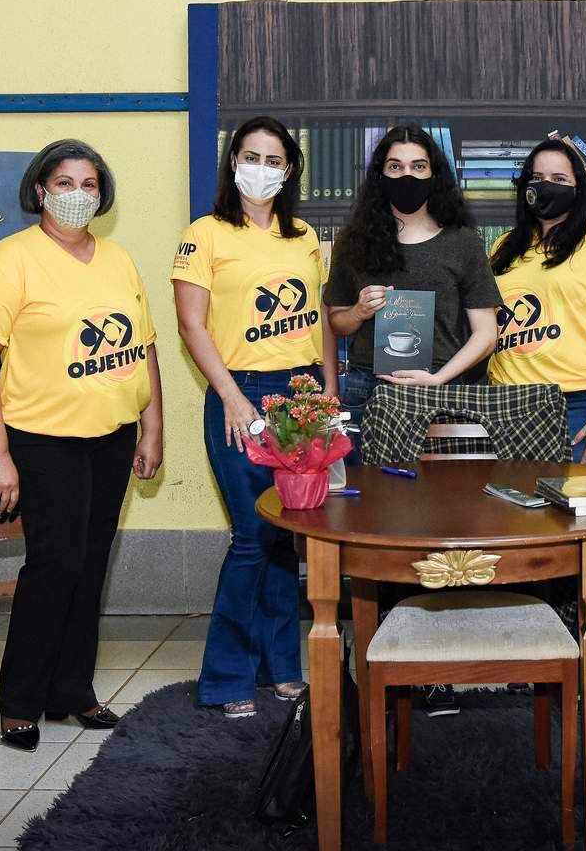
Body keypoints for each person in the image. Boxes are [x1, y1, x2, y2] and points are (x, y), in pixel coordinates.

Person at [0, 139, 164, 751]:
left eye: (89, 184)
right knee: (55, 566)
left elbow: (144, 348)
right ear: (40, 190)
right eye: (64, 183)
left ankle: (72, 690)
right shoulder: (10, 260)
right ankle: (20, 701)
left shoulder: (119, 258)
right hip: (44, 439)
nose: (78, 194)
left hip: (113, 437)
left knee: (92, 563)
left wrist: (153, 426)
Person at [324, 123, 502, 715]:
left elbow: (486, 332)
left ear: (435, 174)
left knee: (442, 529)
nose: (407, 177)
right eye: (395, 167)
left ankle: (439, 662)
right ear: (380, 175)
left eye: (418, 167)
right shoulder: (355, 242)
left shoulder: (462, 242)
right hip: (369, 395)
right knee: (377, 532)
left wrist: (440, 378)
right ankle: (380, 659)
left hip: (445, 401)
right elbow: (336, 323)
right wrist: (359, 309)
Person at [172, 116, 337, 719]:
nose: (260, 169)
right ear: (233, 162)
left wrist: (329, 392)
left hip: (300, 394)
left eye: (273, 160)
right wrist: (231, 397)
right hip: (240, 391)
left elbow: (320, 319)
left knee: (284, 537)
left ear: (289, 170)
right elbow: (191, 324)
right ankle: (226, 678)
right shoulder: (205, 234)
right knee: (250, 537)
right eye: (250, 157)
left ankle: (282, 668)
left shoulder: (304, 237)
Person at [487, 138, 586, 692]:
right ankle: (538, 674)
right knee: (527, 547)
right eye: (537, 177)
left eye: (560, 178)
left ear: (579, 188)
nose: (546, 187)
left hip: (580, 410)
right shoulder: (506, 247)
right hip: (511, 412)